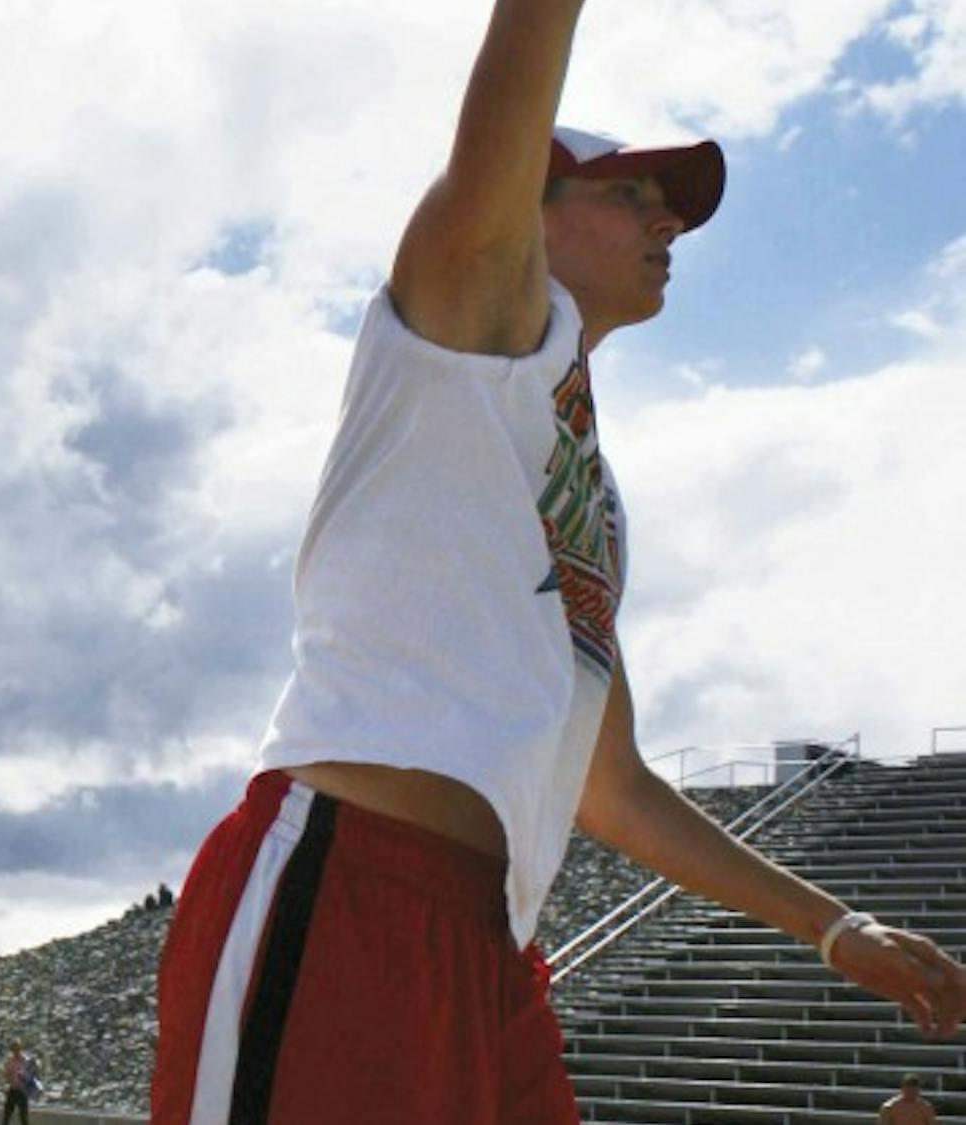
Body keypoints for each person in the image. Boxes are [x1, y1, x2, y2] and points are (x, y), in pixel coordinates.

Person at [148, 1, 966, 1122]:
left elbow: (612, 785)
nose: (665, 219)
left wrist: (830, 924)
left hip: (491, 937)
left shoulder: (587, 480)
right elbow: (503, 106)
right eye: (630, 192)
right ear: (526, 207)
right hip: (345, 881)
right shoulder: (463, 334)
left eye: (667, 204)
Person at [1, 1041, 41, 1124]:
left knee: (23, 1115)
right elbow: (6, 1075)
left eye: (17, 1049)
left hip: (22, 1090)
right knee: (7, 1114)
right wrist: (10, 1079)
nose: (15, 1051)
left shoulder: (26, 1060)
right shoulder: (10, 1061)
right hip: (13, 1089)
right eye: (14, 1050)